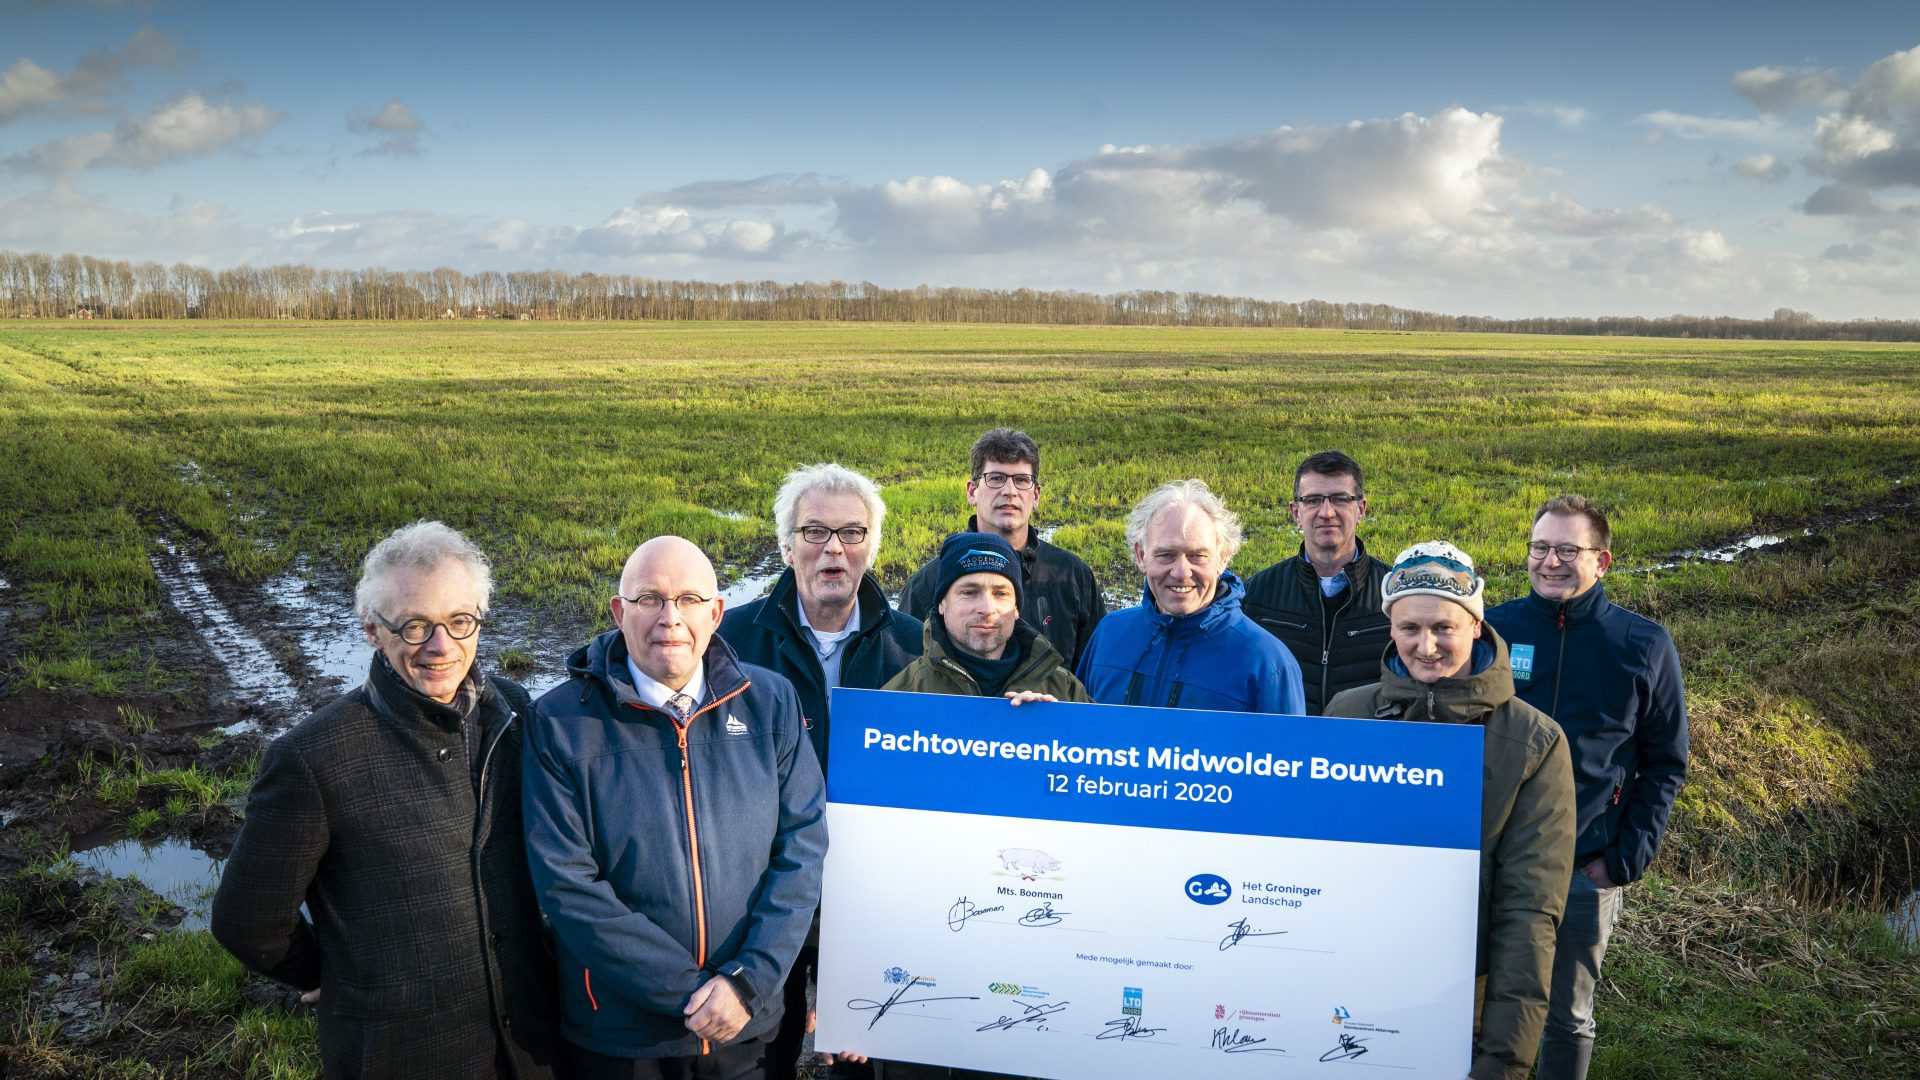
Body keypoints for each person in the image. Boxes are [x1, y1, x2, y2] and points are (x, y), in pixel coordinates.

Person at [211, 521, 561, 1079]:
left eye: (459, 622)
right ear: (373, 630)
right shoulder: (313, 758)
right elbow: (247, 919)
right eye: (415, 626)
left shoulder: (515, 714)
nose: (441, 647)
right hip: (402, 1055)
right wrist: (329, 972)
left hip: (534, 1047)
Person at [523, 536, 827, 1079]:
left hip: (747, 1025)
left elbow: (802, 847)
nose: (670, 618)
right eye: (649, 599)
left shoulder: (772, 701)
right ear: (619, 612)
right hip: (622, 1034)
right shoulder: (559, 722)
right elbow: (567, 883)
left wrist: (746, 982)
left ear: (716, 614)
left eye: (688, 599)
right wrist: (689, 994)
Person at [1325, 541, 1575, 1080]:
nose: (1427, 645)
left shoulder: (1535, 741)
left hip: (1466, 995)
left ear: (1477, 627)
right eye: (1410, 628)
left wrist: (1505, 1059)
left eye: (1444, 628)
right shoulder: (1347, 714)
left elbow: (1530, 912)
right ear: (1390, 628)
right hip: (1353, 977)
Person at [715, 464, 919, 1079]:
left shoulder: (913, 645)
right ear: (786, 545)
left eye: (852, 533)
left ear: (872, 547)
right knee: (763, 1048)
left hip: (867, 892)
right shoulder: (731, 638)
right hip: (762, 888)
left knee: (862, 1049)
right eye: (815, 532)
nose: (834, 549)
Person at [1484, 495, 1688, 1080]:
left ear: (1601, 561)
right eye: (1540, 548)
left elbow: (1666, 761)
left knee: (1566, 1016)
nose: (1551, 562)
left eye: (1567, 550)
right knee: (1481, 1001)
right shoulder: (1494, 631)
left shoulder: (1642, 645)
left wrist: (1624, 858)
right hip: (1493, 862)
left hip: (1583, 867)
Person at [1075, 479, 1305, 715]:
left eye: (1197, 555)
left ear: (1223, 558)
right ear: (1141, 555)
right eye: (1166, 554)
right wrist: (1039, 718)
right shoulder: (1108, 633)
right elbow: (1074, 735)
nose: (1181, 572)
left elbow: (1289, 750)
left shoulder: (1268, 663)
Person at [897, 429, 1105, 670]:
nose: (1010, 491)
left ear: (1036, 495)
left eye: (1021, 480)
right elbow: (908, 674)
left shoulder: (1072, 574)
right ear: (972, 491)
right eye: (996, 478)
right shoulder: (929, 582)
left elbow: (1093, 672)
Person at [1242, 450, 1391, 714]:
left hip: (1367, 752)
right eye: (1312, 500)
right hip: (1283, 750)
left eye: (1340, 499)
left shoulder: (1394, 596)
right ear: (1295, 512)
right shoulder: (1256, 596)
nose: (1326, 512)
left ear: (1361, 509)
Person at [884, 531, 1091, 703]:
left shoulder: (1065, 691)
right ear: (942, 604)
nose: (987, 608)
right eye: (969, 592)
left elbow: (1104, 746)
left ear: (1017, 607)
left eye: (1001, 594)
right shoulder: (903, 694)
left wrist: (1061, 724)